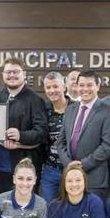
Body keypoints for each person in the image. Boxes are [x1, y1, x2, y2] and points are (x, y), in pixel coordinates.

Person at [59, 70, 110, 200]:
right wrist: (69, 164)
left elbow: (108, 146)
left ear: (97, 86)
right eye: (81, 85)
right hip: (70, 177)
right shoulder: (70, 110)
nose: (85, 89)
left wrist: (83, 164)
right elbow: (60, 142)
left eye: (89, 85)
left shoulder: (107, 111)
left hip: (94, 179)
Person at [0, 58, 48, 193]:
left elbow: (41, 133)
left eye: (16, 71)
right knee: (4, 203)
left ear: (24, 73)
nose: (12, 75)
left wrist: (21, 135)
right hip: (1, 165)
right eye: (8, 72)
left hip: (26, 165)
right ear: (3, 75)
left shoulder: (35, 100)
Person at [40, 72, 70, 203]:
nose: (52, 91)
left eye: (55, 86)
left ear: (64, 86)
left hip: (72, 168)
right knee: (49, 208)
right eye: (48, 87)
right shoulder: (42, 109)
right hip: (50, 169)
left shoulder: (77, 108)